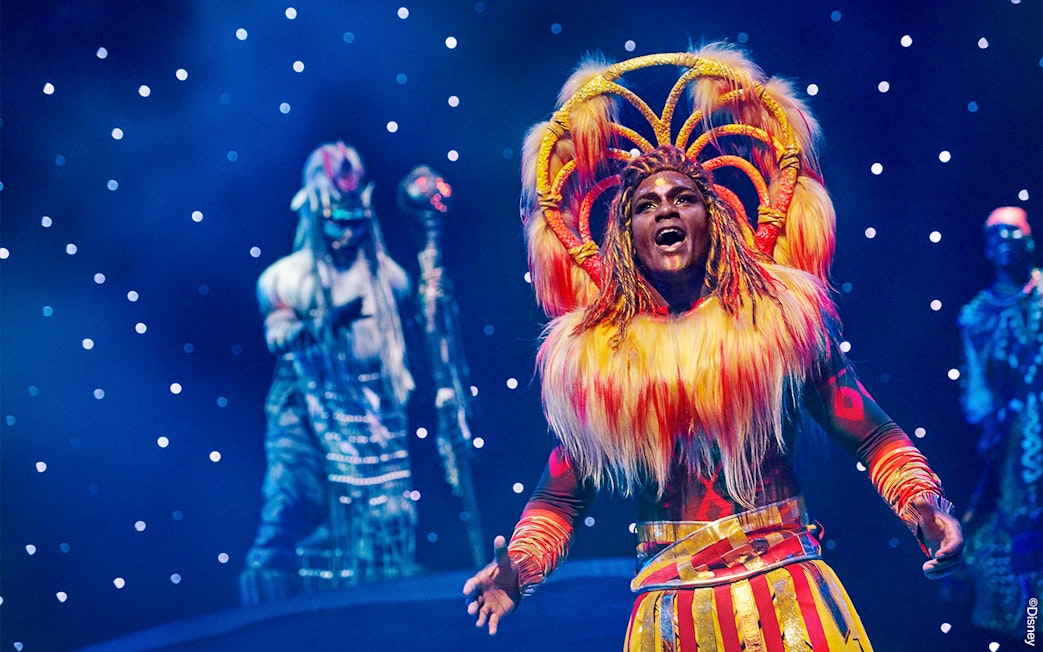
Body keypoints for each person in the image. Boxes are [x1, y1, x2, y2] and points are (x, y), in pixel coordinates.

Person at [463, 47, 964, 649]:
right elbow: (560, 494)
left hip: (788, 599)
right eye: (645, 206)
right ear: (627, 240)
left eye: (683, 198)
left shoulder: (775, 322)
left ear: (715, 219)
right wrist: (521, 568)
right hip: (671, 611)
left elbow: (870, 431)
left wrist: (923, 503)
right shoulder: (599, 363)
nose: (665, 210)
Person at [239, 142, 420, 605]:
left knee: (384, 520)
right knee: (294, 499)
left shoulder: (389, 279)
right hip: (305, 403)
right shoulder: (287, 279)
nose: (344, 234)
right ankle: (270, 620)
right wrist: (317, 327)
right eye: (334, 221)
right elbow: (276, 336)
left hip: (370, 410)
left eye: (352, 221)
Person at [957, 205, 1042, 640]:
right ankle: (1031, 633)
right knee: (1022, 539)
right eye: (997, 234)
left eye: (1014, 232)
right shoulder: (976, 315)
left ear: (1029, 238)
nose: (1006, 241)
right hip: (1015, 445)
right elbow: (976, 398)